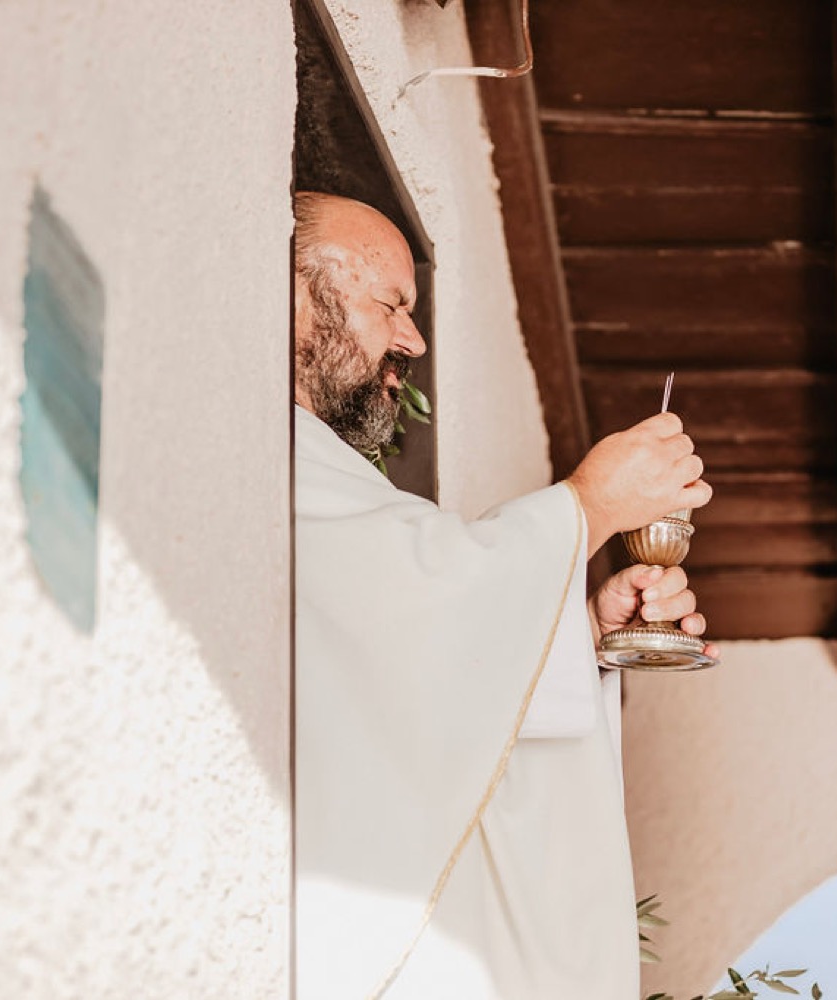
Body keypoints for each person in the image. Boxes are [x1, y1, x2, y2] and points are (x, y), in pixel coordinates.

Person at [293, 192, 716, 999]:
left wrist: (579, 632)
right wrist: (590, 505)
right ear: (293, 297)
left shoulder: (327, 470)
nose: (414, 340)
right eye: (390, 305)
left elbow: (410, 653)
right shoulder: (263, 448)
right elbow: (413, 604)